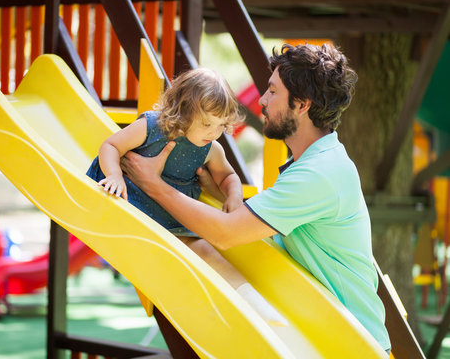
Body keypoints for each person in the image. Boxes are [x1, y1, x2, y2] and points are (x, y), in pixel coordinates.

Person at [120, 44, 392, 354]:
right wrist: (214, 189)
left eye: (273, 92)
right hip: (322, 332)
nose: (261, 100)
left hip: (348, 342)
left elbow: (227, 233)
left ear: (302, 105)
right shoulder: (313, 162)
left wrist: (152, 184)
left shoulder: (319, 173)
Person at [87, 67, 287, 325]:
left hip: (170, 218)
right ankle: (242, 306)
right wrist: (113, 174)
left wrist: (233, 196)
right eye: (207, 124)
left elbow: (228, 176)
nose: (214, 133)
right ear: (183, 112)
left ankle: (252, 305)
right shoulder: (150, 127)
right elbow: (111, 145)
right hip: (130, 206)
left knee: (204, 250)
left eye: (220, 125)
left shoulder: (210, 148)